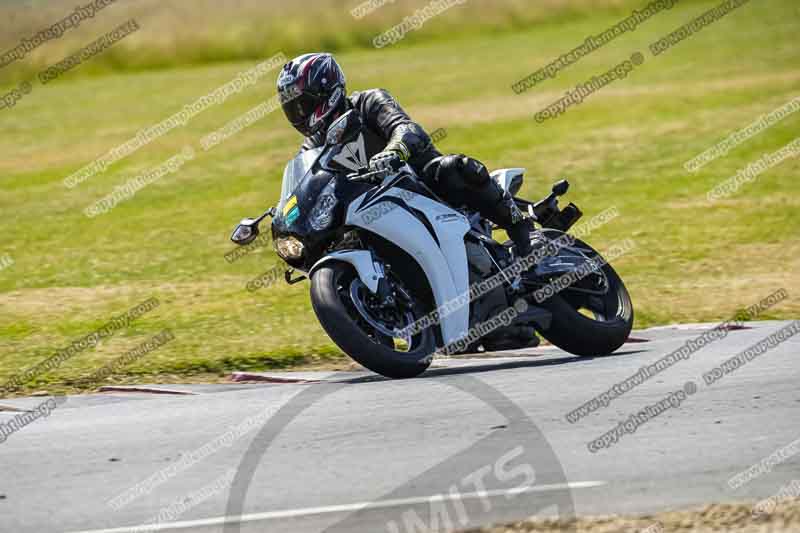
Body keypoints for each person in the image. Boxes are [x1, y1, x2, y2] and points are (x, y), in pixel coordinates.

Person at [276, 52, 533, 256]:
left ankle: (521, 230)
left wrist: (393, 151)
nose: (298, 114)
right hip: (370, 211)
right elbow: (307, 181)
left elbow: (407, 129)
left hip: (424, 187)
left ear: (326, 90)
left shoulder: (369, 102)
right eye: (292, 109)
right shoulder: (314, 144)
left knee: (454, 167)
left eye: (303, 104)